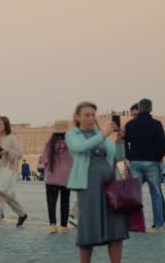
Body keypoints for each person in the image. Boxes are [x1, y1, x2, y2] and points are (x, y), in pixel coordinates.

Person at [66, 102, 127, 263]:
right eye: (86, 115)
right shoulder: (73, 134)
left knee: (116, 229)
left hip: (110, 187)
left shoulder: (102, 135)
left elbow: (117, 157)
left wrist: (120, 141)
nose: (91, 118)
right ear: (78, 117)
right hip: (88, 188)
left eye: (93, 114)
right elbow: (80, 147)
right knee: (88, 230)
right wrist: (103, 134)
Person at [124, 98, 165, 230]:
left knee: (135, 193)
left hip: (135, 162)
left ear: (140, 108)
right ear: (150, 108)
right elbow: (162, 144)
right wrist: (157, 157)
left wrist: (130, 157)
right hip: (151, 162)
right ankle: (159, 223)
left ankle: (136, 224)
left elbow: (125, 142)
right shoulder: (156, 124)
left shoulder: (130, 125)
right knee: (156, 193)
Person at [0, 116, 28, 228]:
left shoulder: (11, 138)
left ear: (5, 126)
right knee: (7, 194)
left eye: (0, 124)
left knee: (0, 194)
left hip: (9, 170)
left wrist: (7, 151)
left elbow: (19, 154)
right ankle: (22, 214)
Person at [41, 124, 73, 233]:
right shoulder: (70, 145)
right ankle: (64, 226)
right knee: (65, 202)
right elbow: (73, 161)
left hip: (51, 178)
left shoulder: (49, 145)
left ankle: (52, 225)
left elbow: (44, 161)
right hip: (65, 178)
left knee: (51, 203)